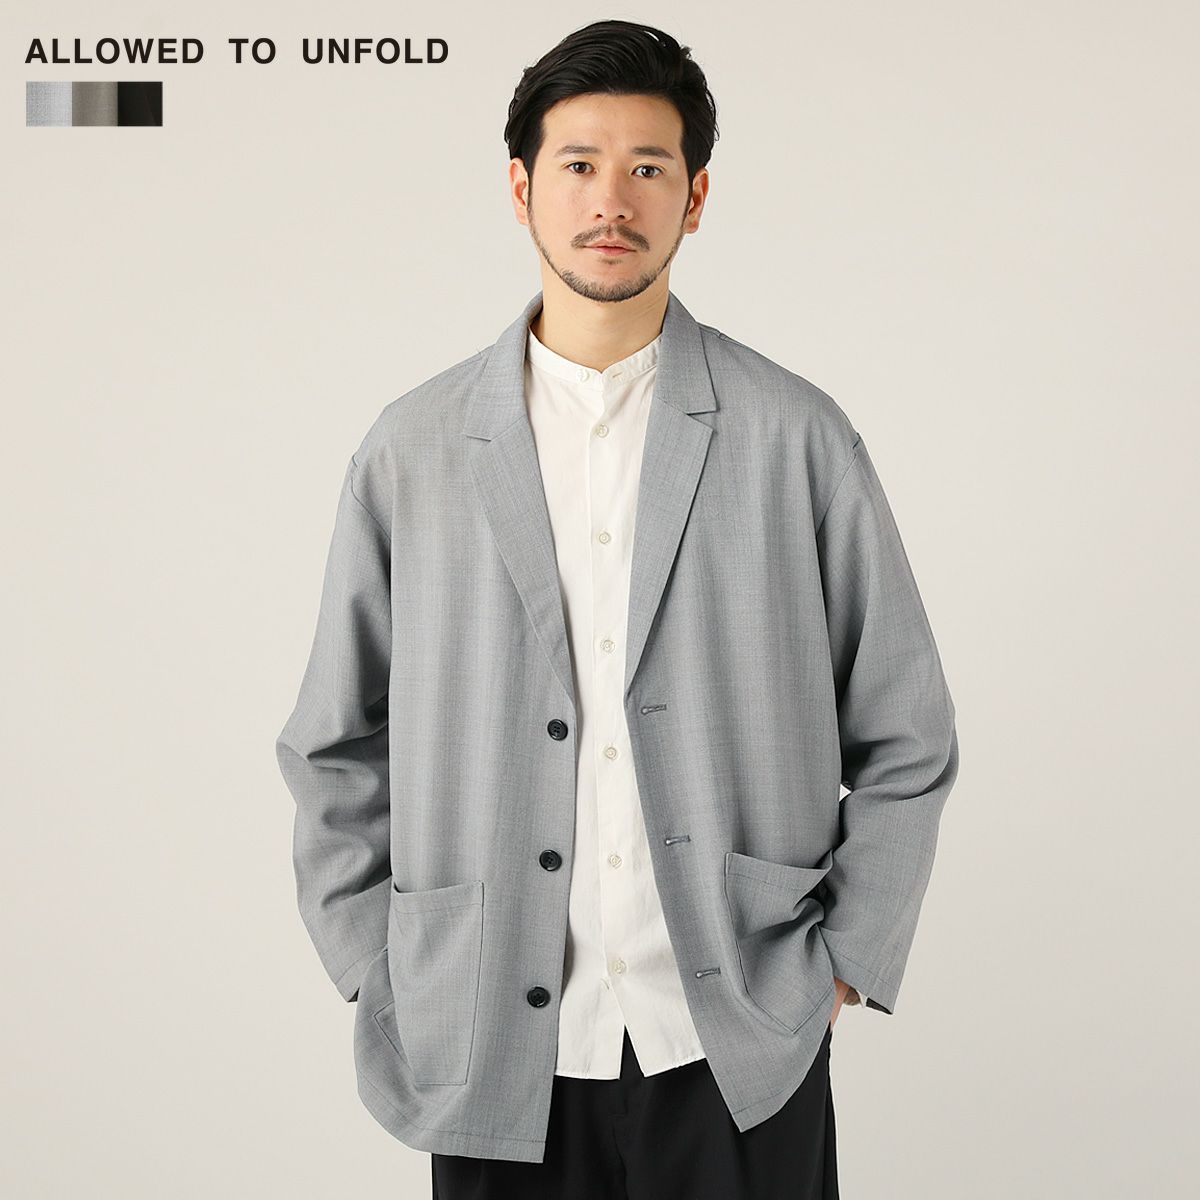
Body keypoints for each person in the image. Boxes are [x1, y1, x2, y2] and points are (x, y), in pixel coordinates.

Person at [276, 18, 959, 1200]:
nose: (612, 200)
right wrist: (374, 961)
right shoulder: (414, 449)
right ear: (521, 190)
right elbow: (331, 744)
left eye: (648, 167)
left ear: (695, 198)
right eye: (579, 164)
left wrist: (846, 956)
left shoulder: (795, 436)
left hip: (737, 1036)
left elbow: (908, 731)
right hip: (488, 1034)